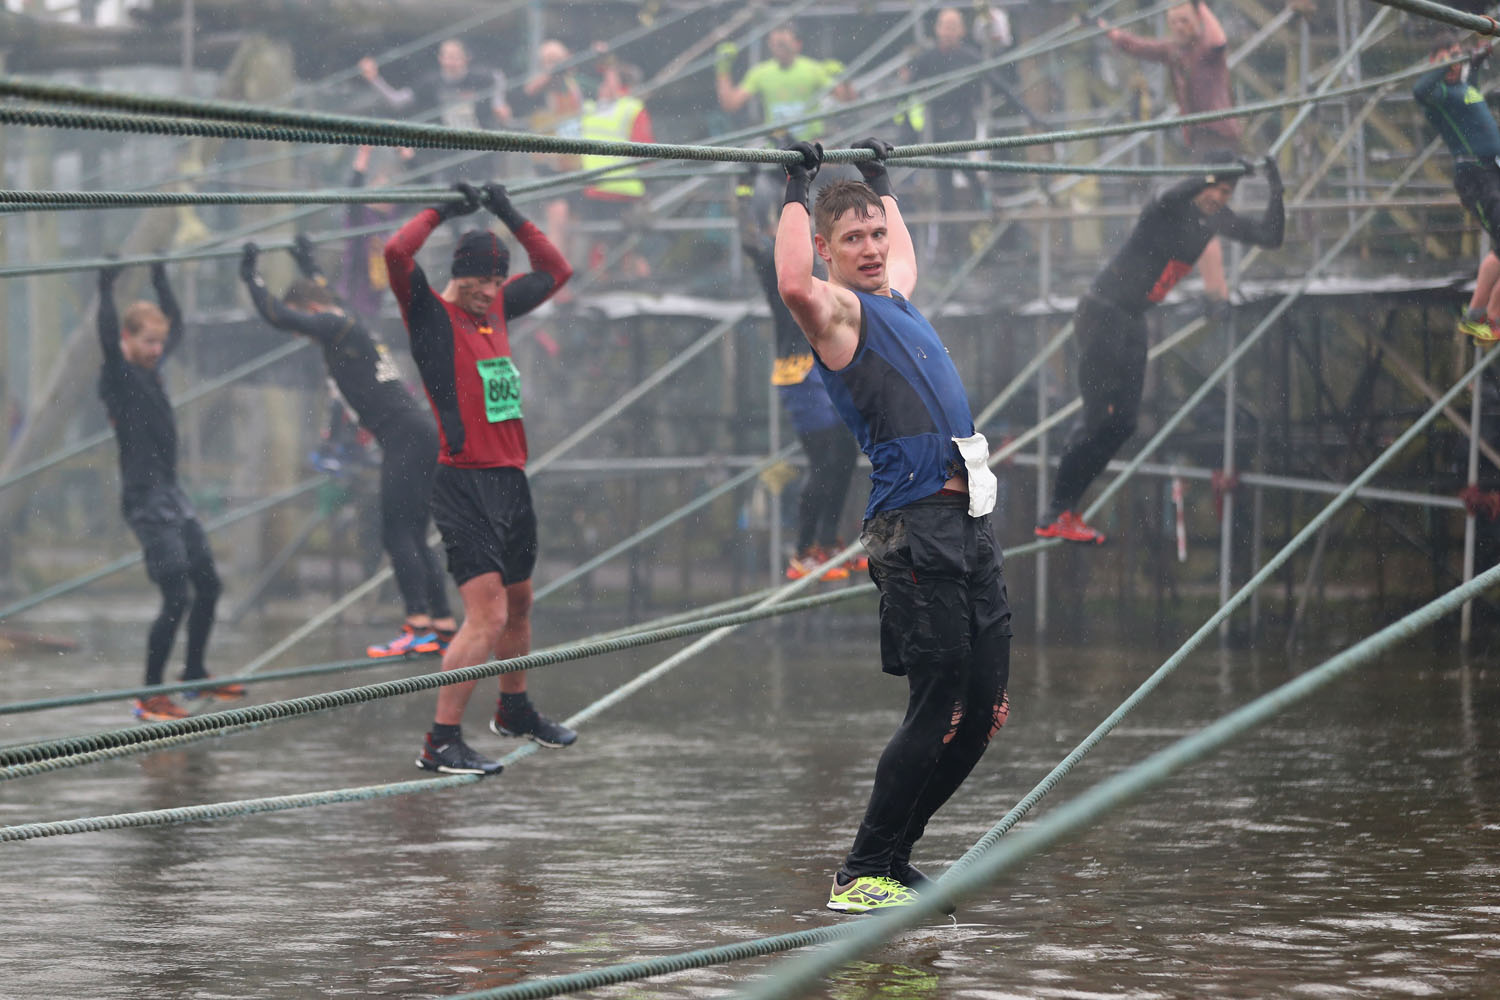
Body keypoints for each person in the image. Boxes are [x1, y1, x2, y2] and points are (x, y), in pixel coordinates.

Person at [774, 137, 1012, 913]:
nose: (872, 249)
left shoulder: (897, 298)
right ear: (827, 250)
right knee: (937, 701)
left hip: (968, 521)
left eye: (876, 234)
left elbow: (903, 252)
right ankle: (860, 870)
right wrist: (793, 187)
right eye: (854, 239)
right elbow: (788, 282)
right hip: (916, 528)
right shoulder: (837, 314)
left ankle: (894, 857)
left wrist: (884, 187)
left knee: (981, 714)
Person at [384, 180, 575, 775]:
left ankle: (513, 709)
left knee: (520, 605)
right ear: (458, 275)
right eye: (481, 282)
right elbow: (396, 254)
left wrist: (508, 212)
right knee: (486, 616)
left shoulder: (494, 309)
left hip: (511, 481)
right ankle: (440, 740)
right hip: (463, 483)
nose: (491, 292)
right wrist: (443, 209)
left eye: (498, 282)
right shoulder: (430, 314)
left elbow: (556, 269)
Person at [1036, 154, 1284, 544]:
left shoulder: (1214, 220)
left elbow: (1270, 236)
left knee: (1125, 424)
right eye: (1216, 189)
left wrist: (1276, 187)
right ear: (1203, 184)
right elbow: (1171, 194)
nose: (1219, 198)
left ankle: (1068, 511)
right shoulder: (1167, 210)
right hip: (1102, 311)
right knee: (1097, 415)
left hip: (1134, 320)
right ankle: (1054, 511)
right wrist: (1212, 170)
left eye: (1227, 192)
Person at [240, 235, 457, 659]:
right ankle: (442, 625)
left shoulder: (331, 324)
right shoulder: (347, 321)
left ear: (312, 313)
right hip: (420, 434)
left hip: (405, 440)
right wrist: (308, 264)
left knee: (396, 534)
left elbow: (278, 315)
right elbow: (323, 294)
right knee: (413, 533)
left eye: (308, 323)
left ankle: (416, 624)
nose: (307, 336)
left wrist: (251, 276)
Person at [97, 263, 243, 721]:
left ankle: (194, 672)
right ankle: (149, 695)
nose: (157, 350)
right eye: (147, 343)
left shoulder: (155, 367)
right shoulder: (119, 377)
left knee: (210, 586)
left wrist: (162, 281)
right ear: (128, 340)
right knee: (176, 594)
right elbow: (105, 334)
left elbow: (176, 327)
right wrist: (106, 288)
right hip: (145, 501)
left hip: (173, 497)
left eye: (159, 344)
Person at [736, 190, 858, 580]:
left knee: (846, 456)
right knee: (824, 462)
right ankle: (803, 550)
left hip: (830, 369)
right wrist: (745, 192)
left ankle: (827, 540)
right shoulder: (775, 263)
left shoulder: (818, 260)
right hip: (800, 373)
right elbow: (749, 237)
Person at [1103, 1, 1241, 306]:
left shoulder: (1207, 48)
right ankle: (1213, 290)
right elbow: (1141, 47)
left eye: (1185, 21)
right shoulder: (1174, 51)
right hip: (1201, 140)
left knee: (1202, 215)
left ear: (1196, 22)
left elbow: (1219, 39)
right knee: (1199, 216)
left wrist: (1200, 6)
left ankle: (1216, 292)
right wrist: (1109, 31)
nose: (1179, 27)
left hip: (1218, 137)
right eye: (1174, 22)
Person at [1413, 39, 1500, 343]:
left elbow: (1468, 78)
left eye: (1454, 57)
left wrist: (1474, 60)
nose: (1453, 63)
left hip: (1495, 170)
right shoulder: (1439, 95)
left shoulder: (1465, 87)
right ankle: (1482, 315)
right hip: (1476, 177)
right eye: (1445, 58)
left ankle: (1484, 316)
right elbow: (1419, 90)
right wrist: (1444, 65)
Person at [577, 50, 654, 278]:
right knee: (605, 247)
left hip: (621, 191)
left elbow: (645, 150)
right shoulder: (592, 108)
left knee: (622, 247)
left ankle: (633, 284)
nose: (603, 84)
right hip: (597, 190)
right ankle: (605, 285)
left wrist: (609, 62)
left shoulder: (630, 108)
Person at [715, 24, 854, 142]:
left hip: (811, 147)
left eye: (784, 44)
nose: (780, 48)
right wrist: (723, 70)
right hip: (778, 149)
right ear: (770, 44)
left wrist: (844, 79)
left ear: (798, 44)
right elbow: (730, 104)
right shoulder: (760, 73)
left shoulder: (813, 70)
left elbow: (847, 100)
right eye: (777, 44)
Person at [358, 38, 508, 131]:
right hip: (444, 146)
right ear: (440, 59)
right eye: (448, 57)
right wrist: (374, 79)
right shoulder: (430, 83)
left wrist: (498, 103)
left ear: (466, 58)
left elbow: (498, 77)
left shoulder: (480, 77)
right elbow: (398, 101)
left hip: (480, 143)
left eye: (456, 57)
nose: (451, 62)